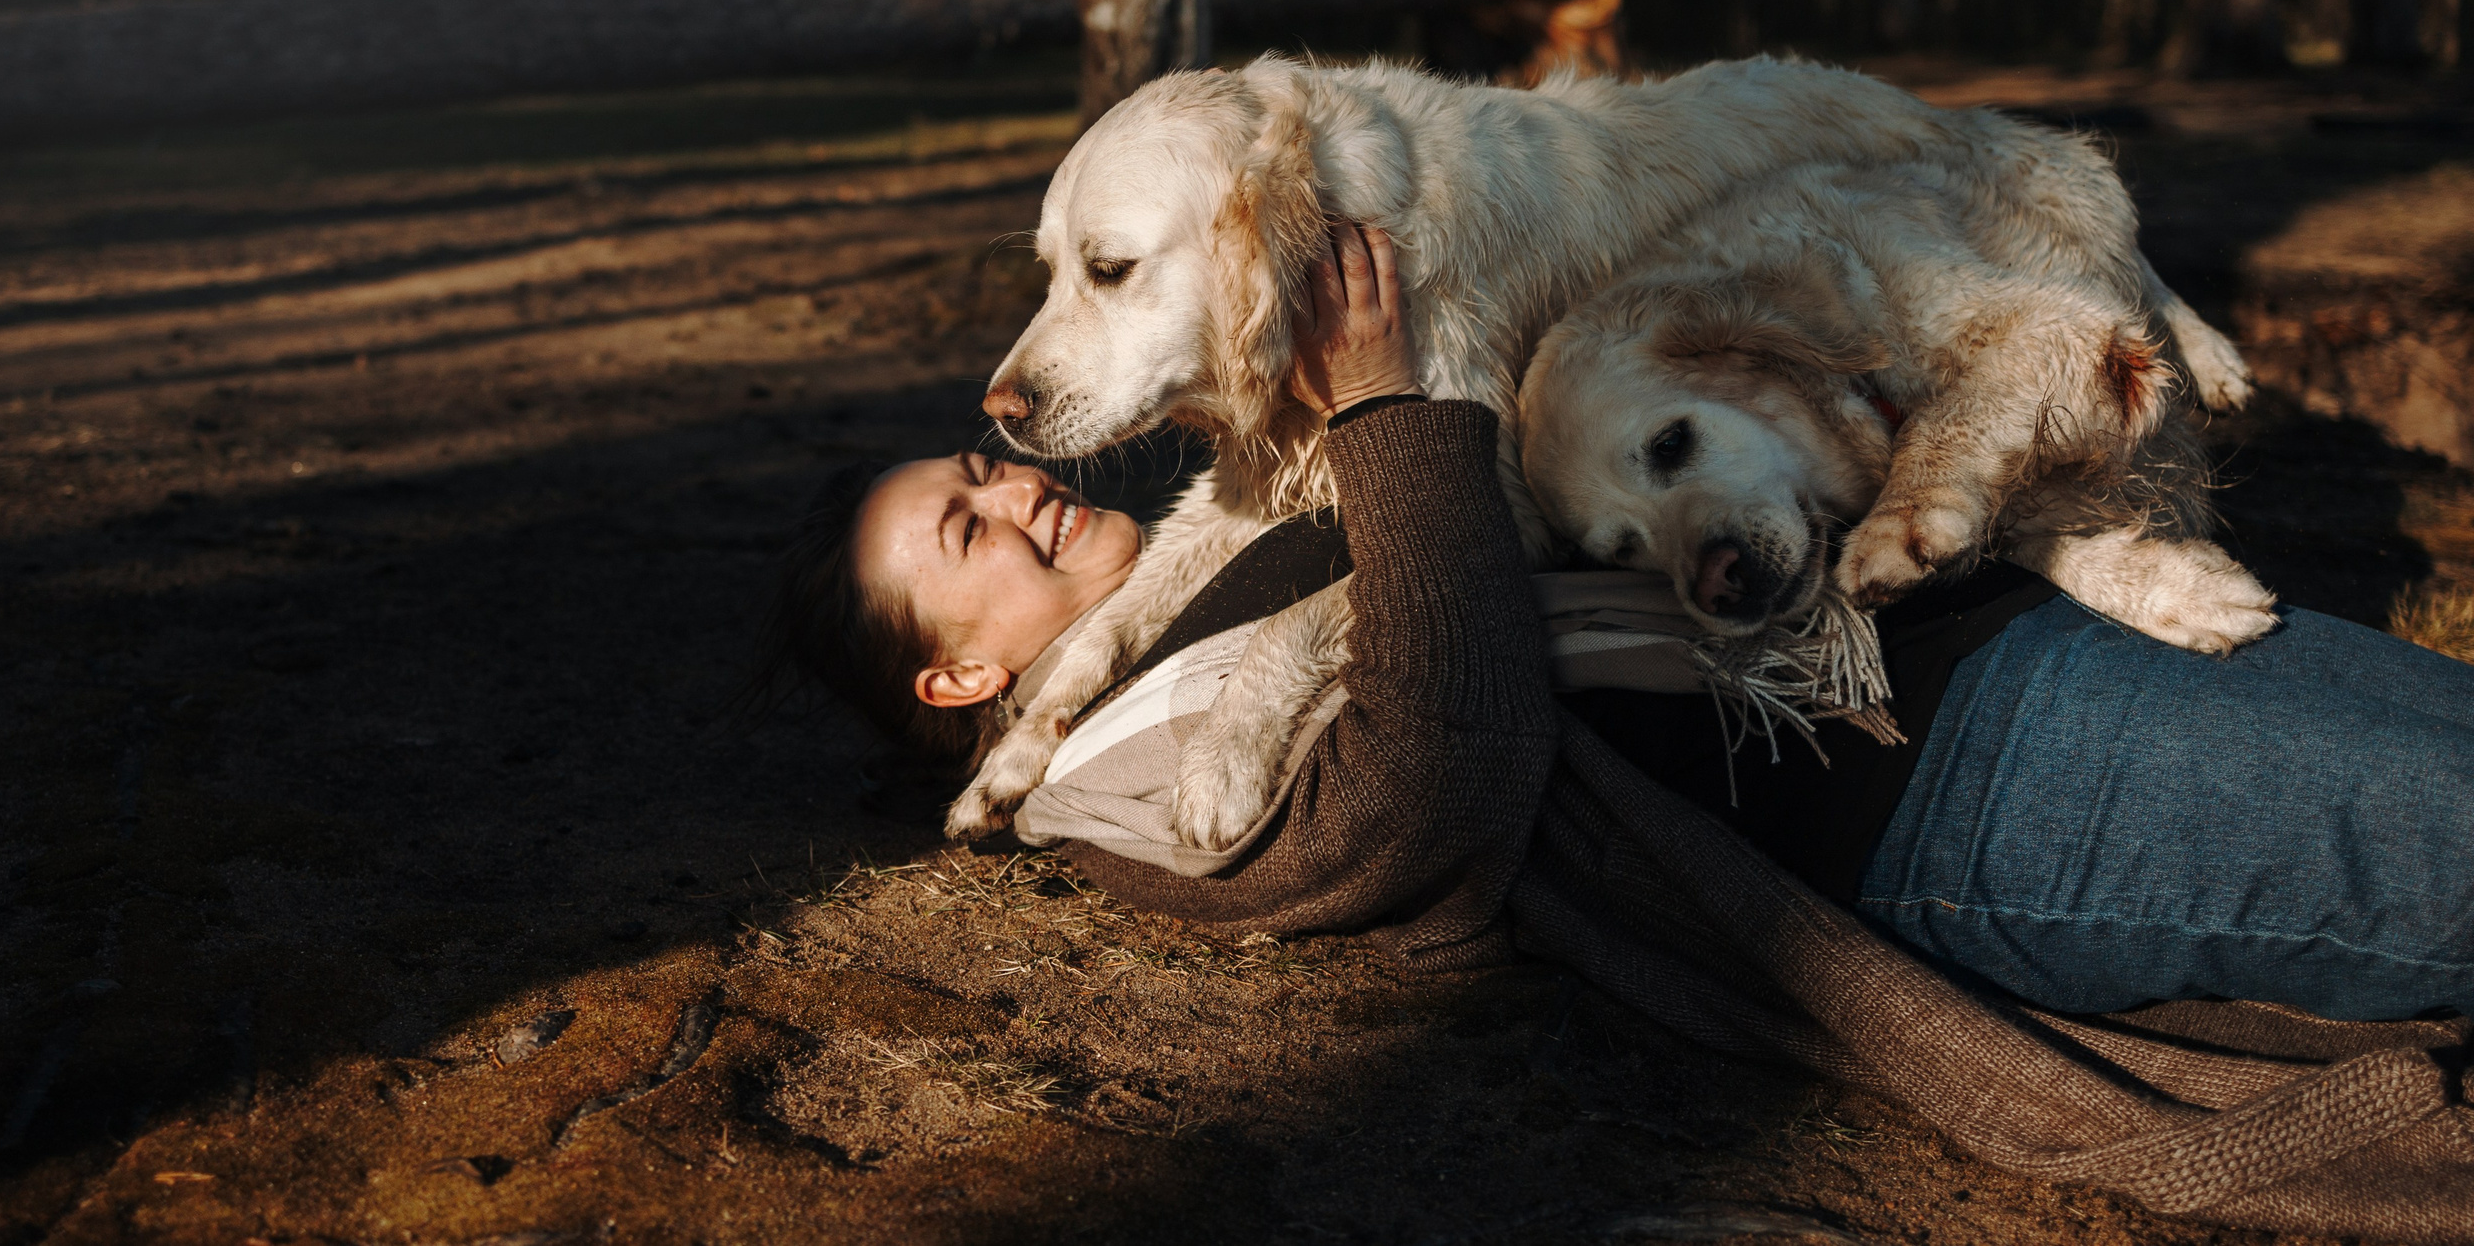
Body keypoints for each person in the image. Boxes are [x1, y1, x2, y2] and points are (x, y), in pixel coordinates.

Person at [761, 223, 2474, 1234]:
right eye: (962, 540)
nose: (1017, 499)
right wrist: (1386, 413)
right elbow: (1427, 791)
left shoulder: (1230, 512)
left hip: (1981, 619)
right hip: (1947, 788)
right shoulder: (1121, 779)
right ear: (958, 685)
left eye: (984, 473)